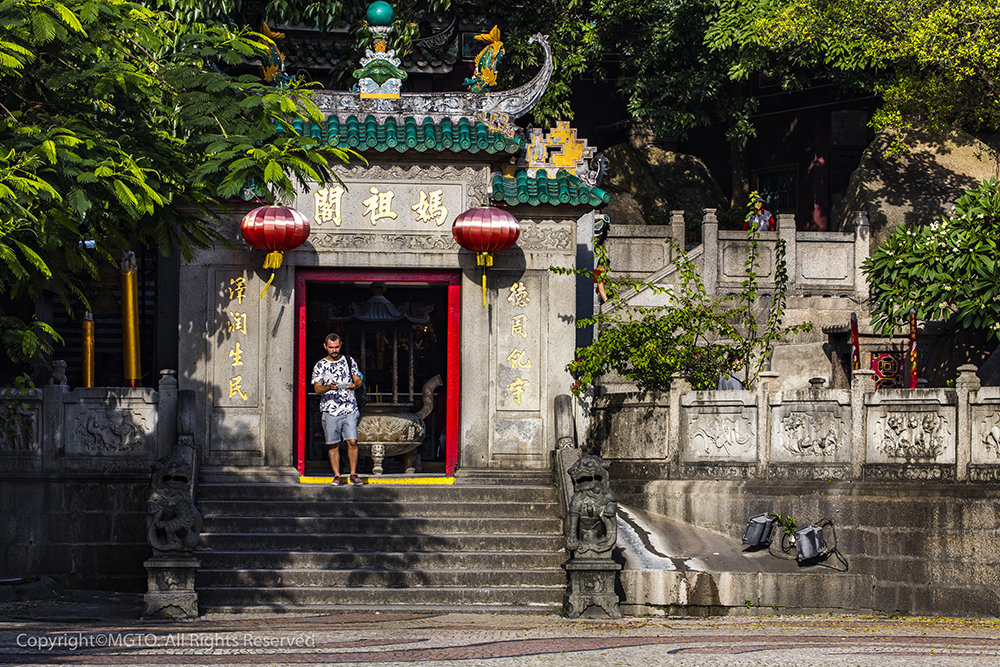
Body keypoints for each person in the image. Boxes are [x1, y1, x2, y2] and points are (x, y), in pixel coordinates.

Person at [311, 333, 364, 485]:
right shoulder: (320, 365)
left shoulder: (349, 360)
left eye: (336, 347)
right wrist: (329, 387)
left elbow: (358, 379)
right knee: (333, 443)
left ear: (340, 345)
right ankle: (337, 475)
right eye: (331, 347)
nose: (334, 350)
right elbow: (317, 388)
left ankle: (353, 473)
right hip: (330, 408)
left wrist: (356, 384)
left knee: (352, 441)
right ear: (325, 346)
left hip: (349, 407)